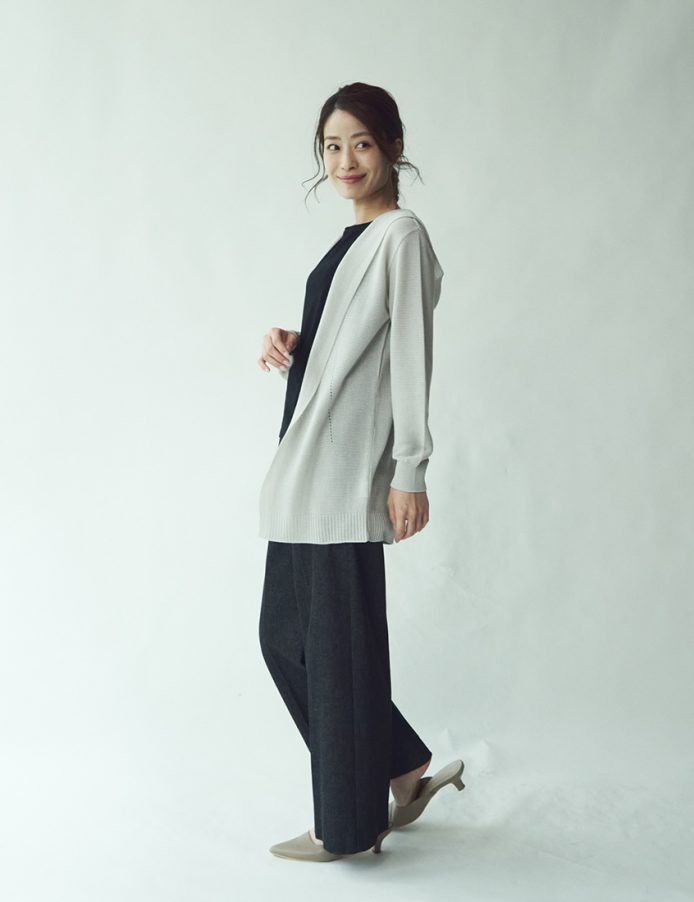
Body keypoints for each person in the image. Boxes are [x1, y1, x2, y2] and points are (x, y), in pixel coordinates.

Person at [256, 82, 465, 862]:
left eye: (362, 143)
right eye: (332, 146)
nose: (344, 160)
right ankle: (401, 767)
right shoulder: (354, 242)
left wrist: (410, 468)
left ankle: (347, 827)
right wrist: (297, 343)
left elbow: (409, 355)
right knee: (286, 638)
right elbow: (348, 350)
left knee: (331, 651)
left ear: (393, 149)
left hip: (345, 479)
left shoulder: (399, 235)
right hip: (309, 470)